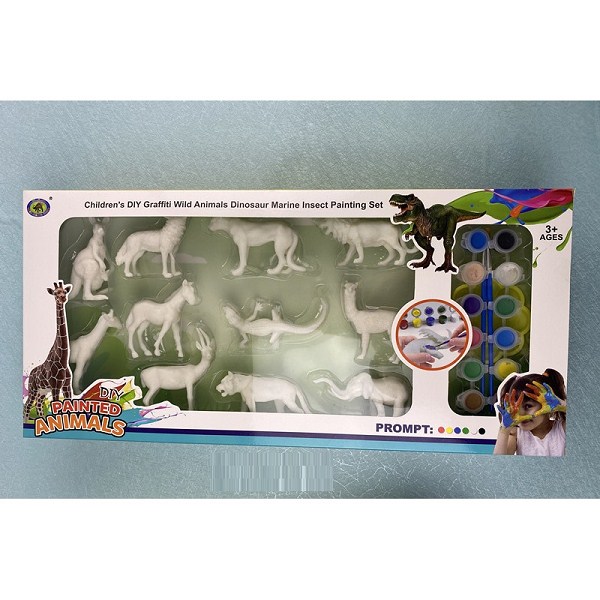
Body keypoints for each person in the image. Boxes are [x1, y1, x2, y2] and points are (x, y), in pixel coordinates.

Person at [493, 368, 566, 456]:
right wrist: (504, 430)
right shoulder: (517, 434)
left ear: (548, 404)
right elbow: (499, 461)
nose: (521, 413)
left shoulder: (562, 428)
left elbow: (580, 419)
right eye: (516, 408)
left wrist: (562, 405)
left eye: (528, 406)